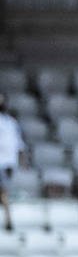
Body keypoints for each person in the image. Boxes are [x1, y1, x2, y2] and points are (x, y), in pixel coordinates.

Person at [0, 94, 26, 231]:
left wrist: (19, 162)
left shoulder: (11, 122)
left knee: (4, 191)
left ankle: (8, 219)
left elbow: (19, 144)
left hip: (5, 162)